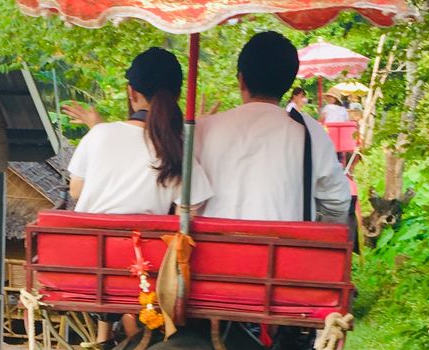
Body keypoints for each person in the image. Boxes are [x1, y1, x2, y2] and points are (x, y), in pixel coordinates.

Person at [195, 31, 350, 224]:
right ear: (288, 84)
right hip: (289, 243)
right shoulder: (310, 132)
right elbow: (338, 201)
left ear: (241, 80)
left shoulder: (201, 130)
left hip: (211, 244)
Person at [64, 47, 213, 215]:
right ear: (177, 96)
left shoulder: (98, 134)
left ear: (132, 92)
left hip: (88, 232)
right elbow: (187, 213)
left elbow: (76, 191)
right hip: (144, 233)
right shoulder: (178, 150)